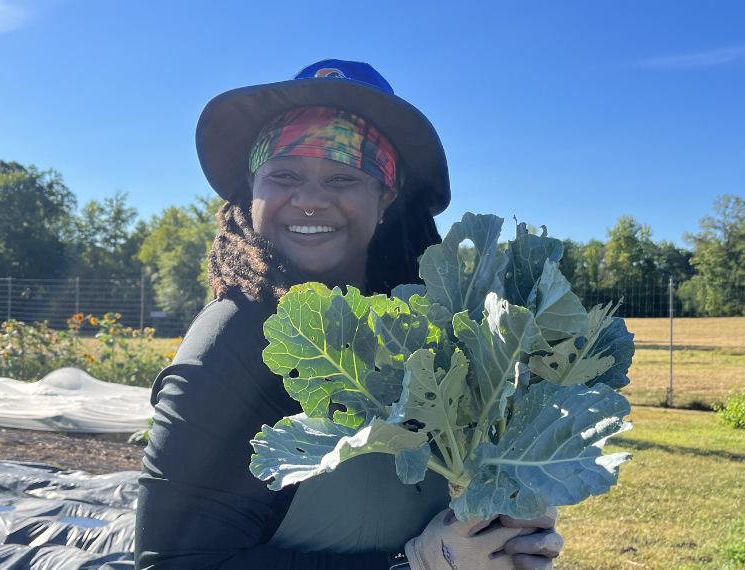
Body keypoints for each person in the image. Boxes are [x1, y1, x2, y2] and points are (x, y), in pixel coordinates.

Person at [136, 59, 564, 570]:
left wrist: (506, 530)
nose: (311, 199)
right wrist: (419, 564)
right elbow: (175, 563)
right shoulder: (228, 346)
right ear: (253, 191)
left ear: (384, 198)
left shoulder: (434, 329)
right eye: (284, 174)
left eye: (342, 176)